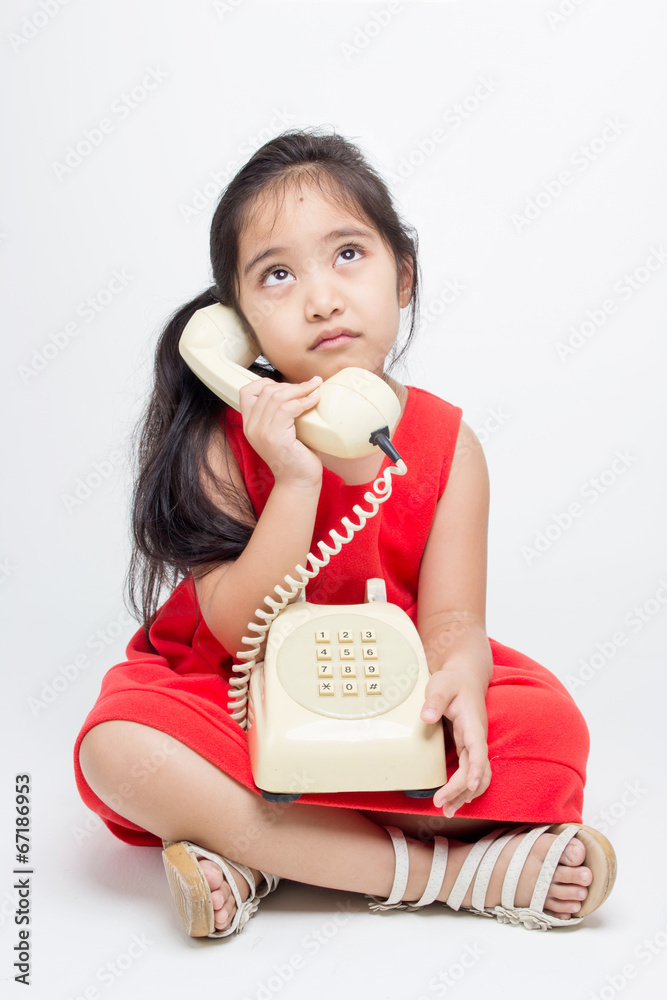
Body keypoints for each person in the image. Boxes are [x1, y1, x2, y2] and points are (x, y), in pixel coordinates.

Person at [74, 127, 616, 939]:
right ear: (239, 328)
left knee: (548, 733)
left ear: (403, 276)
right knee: (116, 748)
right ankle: (453, 874)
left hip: (388, 698)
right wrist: (294, 479)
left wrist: (461, 679)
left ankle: (254, 848)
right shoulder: (227, 440)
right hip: (237, 694)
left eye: (348, 256)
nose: (320, 298)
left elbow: (453, 623)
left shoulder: (448, 447)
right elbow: (229, 629)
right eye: (278, 275)